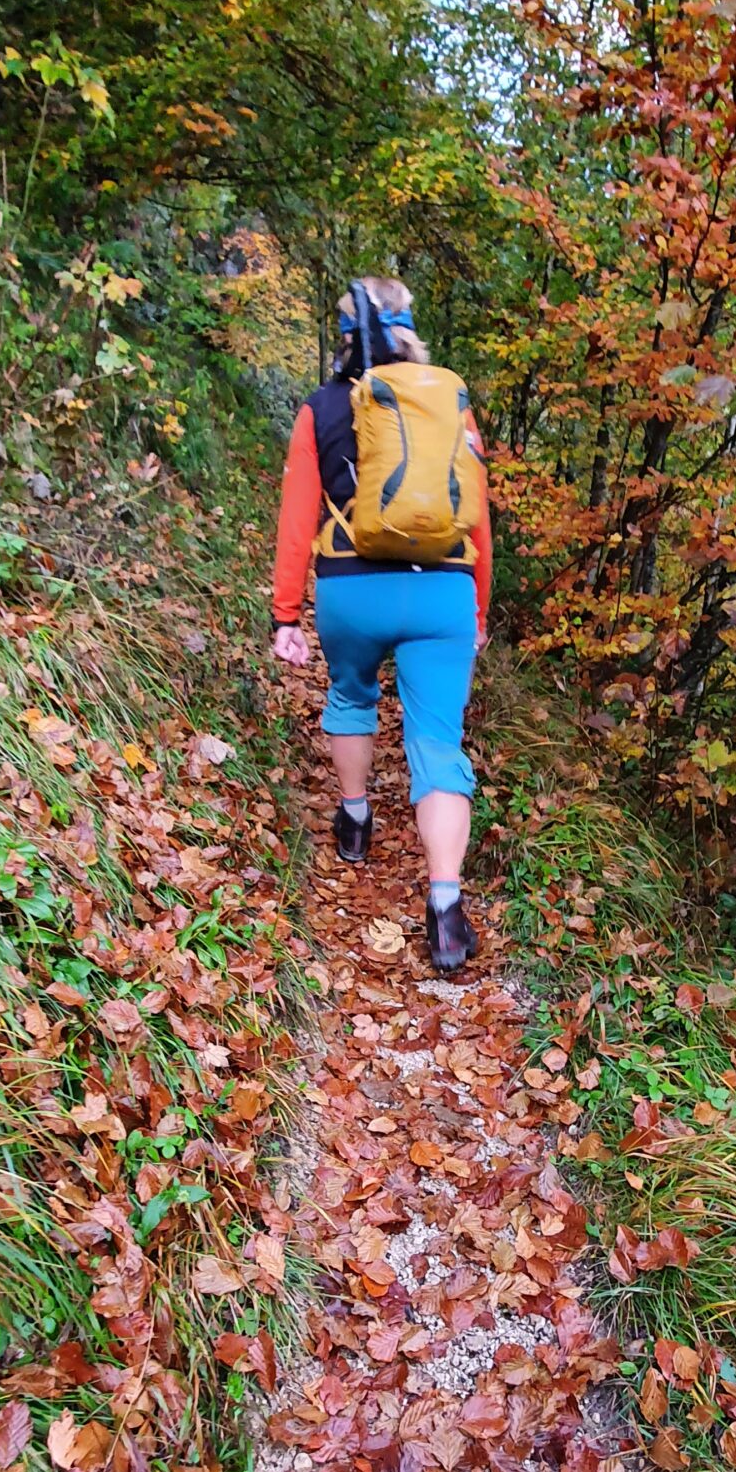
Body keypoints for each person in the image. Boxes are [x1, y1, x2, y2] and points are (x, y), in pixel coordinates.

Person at [270, 276, 492, 975]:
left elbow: (296, 517)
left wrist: (284, 613)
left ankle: (356, 818)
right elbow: (477, 517)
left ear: (344, 334)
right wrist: (478, 608)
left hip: (351, 586)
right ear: (410, 328)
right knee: (438, 745)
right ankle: (445, 909)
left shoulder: (321, 408)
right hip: (443, 590)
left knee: (350, 694)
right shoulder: (448, 404)